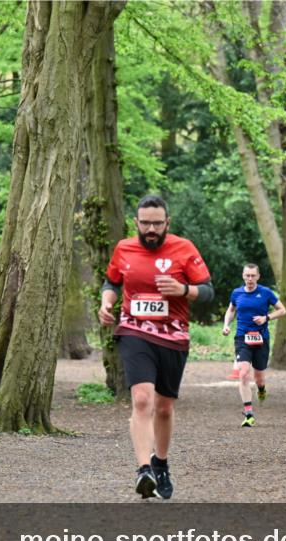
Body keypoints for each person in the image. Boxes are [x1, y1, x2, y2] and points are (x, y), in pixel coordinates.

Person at [98, 195, 214, 499]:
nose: (151, 229)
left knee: (163, 408)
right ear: (136, 222)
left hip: (174, 337)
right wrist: (107, 302)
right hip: (135, 331)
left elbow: (208, 291)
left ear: (167, 223)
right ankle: (143, 469)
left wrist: (183, 290)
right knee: (141, 399)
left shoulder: (184, 249)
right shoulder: (124, 248)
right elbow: (111, 283)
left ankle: (160, 463)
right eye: (145, 223)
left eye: (157, 224)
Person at [222, 263, 286, 427]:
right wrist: (226, 325)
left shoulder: (265, 293)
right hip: (242, 338)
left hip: (261, 339)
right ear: (243, 276)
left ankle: (261, 389)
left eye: (253, 276)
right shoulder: (236, 293)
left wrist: (267, 318)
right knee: (243, 373)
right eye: (247, 276)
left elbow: (282, 310)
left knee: (259, 377)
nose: (250, 279)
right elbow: (231, 310)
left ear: (258, 276)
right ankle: (249, 413)